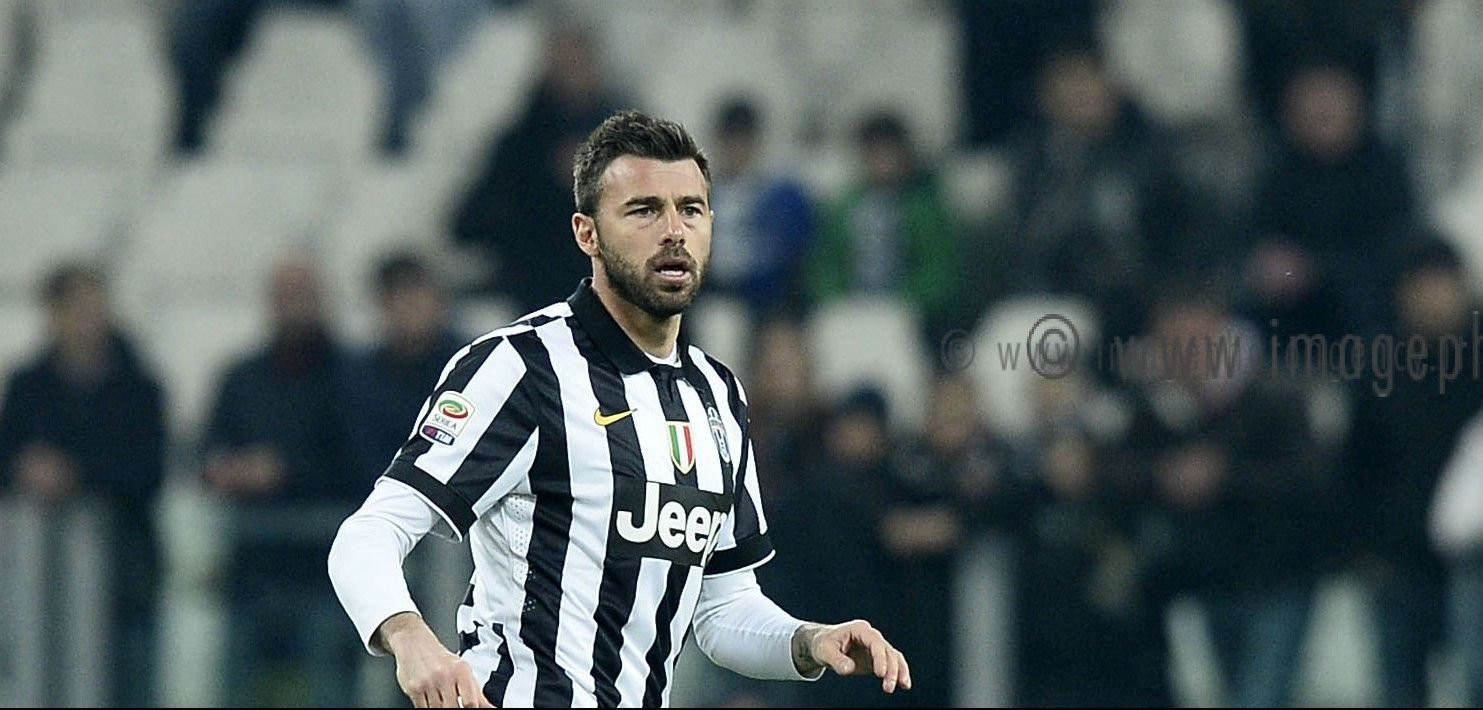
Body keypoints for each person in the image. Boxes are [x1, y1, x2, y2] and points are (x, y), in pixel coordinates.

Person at [328, 110, 912, 708]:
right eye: (644, 210)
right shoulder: (522, 368)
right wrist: (410, 637)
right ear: (587, 234)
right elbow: (368, 533)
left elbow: (722, 607)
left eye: (691, 209)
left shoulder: (718, 395)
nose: (674, 231)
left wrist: (810, 641)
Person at [0, 263, 168, 707]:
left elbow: (147, 470)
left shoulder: (138, 388)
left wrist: (75, 475)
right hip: (38, 576)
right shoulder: (27, 387)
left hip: (123, 577)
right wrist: (25, 469)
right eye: (75, 308)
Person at [201, 254, 364, 707]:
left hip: (325, 575)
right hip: (251, 570)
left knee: (328, 692)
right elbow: (208, 451)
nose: (291, 305)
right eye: (283, 294)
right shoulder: (240, 377)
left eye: (300, 294)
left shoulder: (352, 377)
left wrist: (284, 473)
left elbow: (362, 462)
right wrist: (227, 471)